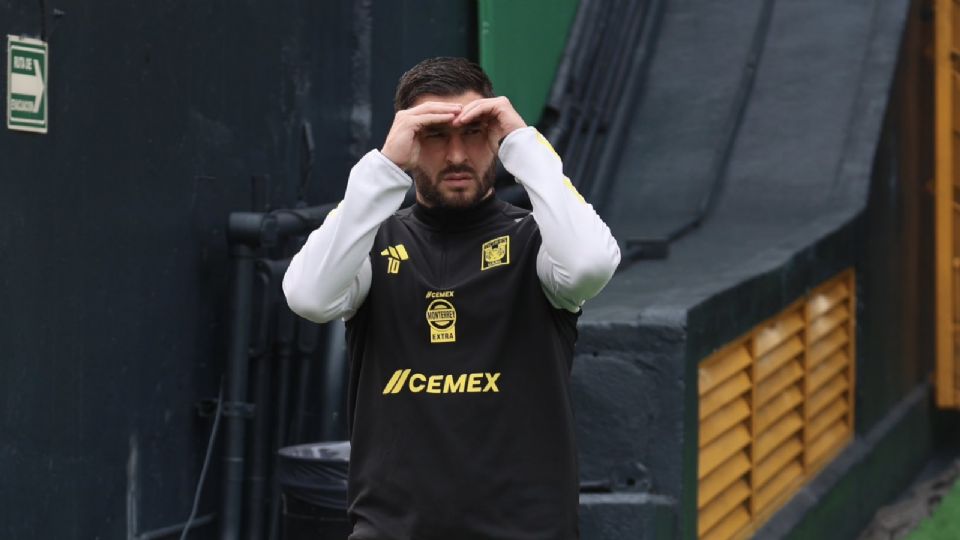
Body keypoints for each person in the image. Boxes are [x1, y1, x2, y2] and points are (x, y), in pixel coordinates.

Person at [283, 57, 620, 540]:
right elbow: (308, 296)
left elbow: (590, 264)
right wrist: (382, 167)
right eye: (436, 136)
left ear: (496, 139)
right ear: (410, 143)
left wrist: (525, 144)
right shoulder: (371, 244)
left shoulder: (536, 243)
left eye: (475, 132)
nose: (458, 155)